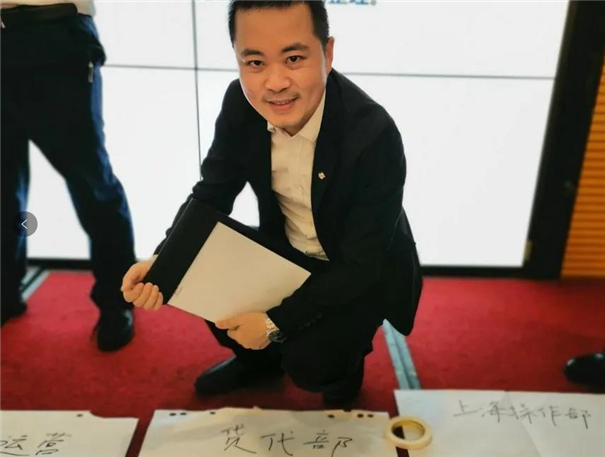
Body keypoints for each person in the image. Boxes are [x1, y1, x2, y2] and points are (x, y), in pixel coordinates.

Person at [122, 0, 422, 404]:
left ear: (328, 52)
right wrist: (164, 261)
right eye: (255, 63)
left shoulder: (373, 133)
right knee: (201, 268)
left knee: (313, 364)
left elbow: (360, 264)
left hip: (353, 268)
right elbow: (211, 195)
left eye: (294, 58)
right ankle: (257, 363)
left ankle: (344, 368)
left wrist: (272, 323)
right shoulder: (240, 104)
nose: (275, 83)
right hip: (288, 248)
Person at [1, 0, 136, 351]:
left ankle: (117, 298)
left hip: (54, 33)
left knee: (92, 184)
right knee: (3, 189)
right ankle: (4, 292)